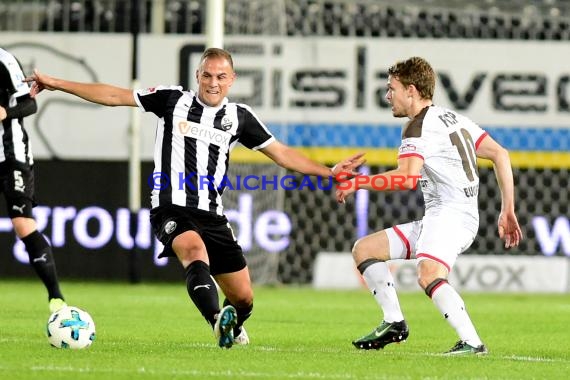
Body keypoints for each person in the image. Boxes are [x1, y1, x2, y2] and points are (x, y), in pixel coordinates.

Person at [26, 47, 364, 349]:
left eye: (220, 76)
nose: (212, 82)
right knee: (192, 250)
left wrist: (329, 172)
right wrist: (55, 82)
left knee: (244, 298)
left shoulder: (239, 118)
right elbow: (115, 96)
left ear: (231, 80)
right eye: (207, 75)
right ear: (197, 76)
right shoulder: (173, 100)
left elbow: (282, 154)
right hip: (170, 207)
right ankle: (217, 321)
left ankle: (232, 321)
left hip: (213, 215)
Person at [336, 56, 522, 355]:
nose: (387, 96)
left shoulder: (418, 127)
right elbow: (501, 154)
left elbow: (407, 179)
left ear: (411, 90)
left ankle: (472, 342)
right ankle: (394, 322)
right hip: (444, 217)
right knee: (365, 249)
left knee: (429, 273)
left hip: (451, 218)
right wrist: (507, 209)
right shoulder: (452, 118)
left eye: (391, 88)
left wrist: (359, 182)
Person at [0, 47, 67, 313]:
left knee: (23, 225)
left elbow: (30, 103)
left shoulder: (4, 61)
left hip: (10, 155)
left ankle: (56, 297)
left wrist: (5, 112)